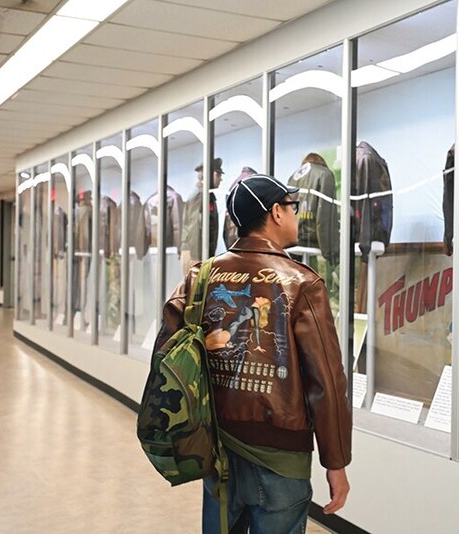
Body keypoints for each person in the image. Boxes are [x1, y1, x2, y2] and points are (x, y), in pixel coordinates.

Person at [154, 173, 352, 533]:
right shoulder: (302, 283)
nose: (294, 215)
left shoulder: (201, 276)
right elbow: (326, 381)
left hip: (215, 446)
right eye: (292, 207)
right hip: (281, 458)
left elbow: (167, 354)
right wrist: (335, 461)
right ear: (276, 212)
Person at [181, 158, 224, 274]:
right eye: (218, 174)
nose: (221, 179)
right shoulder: (200, 195)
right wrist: (196, 259)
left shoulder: (206, 195)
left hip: (200, 253)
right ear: (209, 174)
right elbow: (194, 227)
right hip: (195, 253)